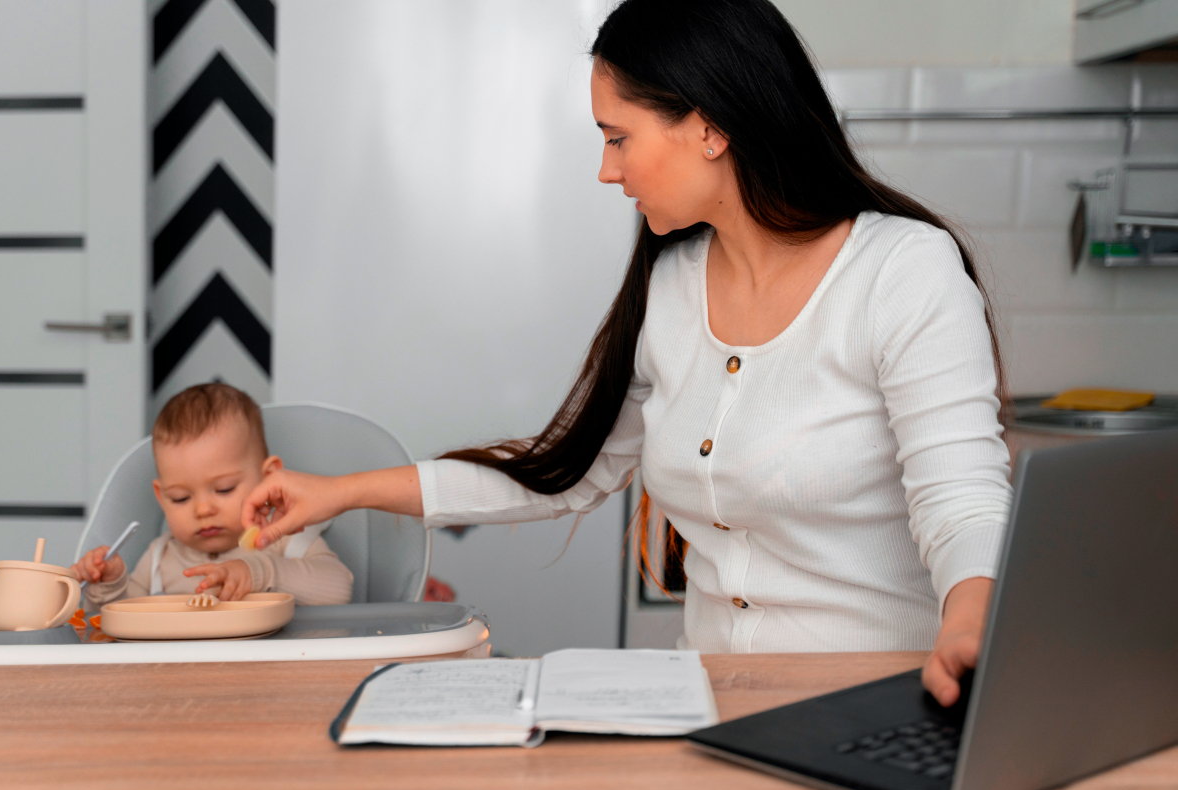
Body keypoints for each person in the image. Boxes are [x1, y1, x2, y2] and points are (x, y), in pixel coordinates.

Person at [240, 0, 1011, 708]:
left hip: (876, 703)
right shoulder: (672, 284)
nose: (607, 170)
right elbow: (565, 473)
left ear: (709, 128)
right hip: (710, 708)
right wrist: (338, 492)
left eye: (618, 138)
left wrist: (970, 623)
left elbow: (963, 500)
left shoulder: (901, 271)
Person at [74, 384, 354, 608]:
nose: (203, 510)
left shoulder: (287, 538)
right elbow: (119, 626)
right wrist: (110, 585)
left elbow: (339, 589)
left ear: (269, 479)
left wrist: (261, 572)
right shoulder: (160, 558)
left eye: (224, 489)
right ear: (161, 497)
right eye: (180, 498)